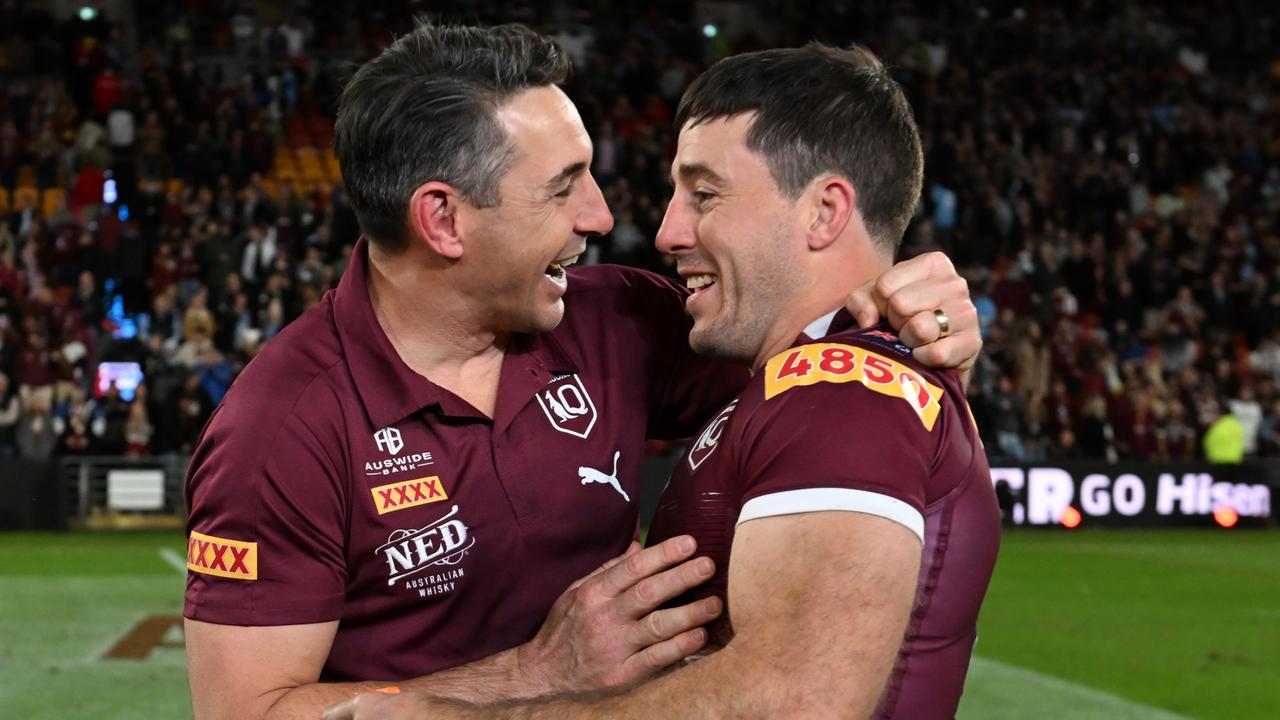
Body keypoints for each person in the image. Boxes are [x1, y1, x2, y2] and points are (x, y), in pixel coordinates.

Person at [184, 24, 983, 720]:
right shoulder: (281, 428)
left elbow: (830, 378)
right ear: (444, 219)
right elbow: (246, 713)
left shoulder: (619, 323)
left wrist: (911, 310)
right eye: (564, 187)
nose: (603, 217)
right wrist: (532, 675)